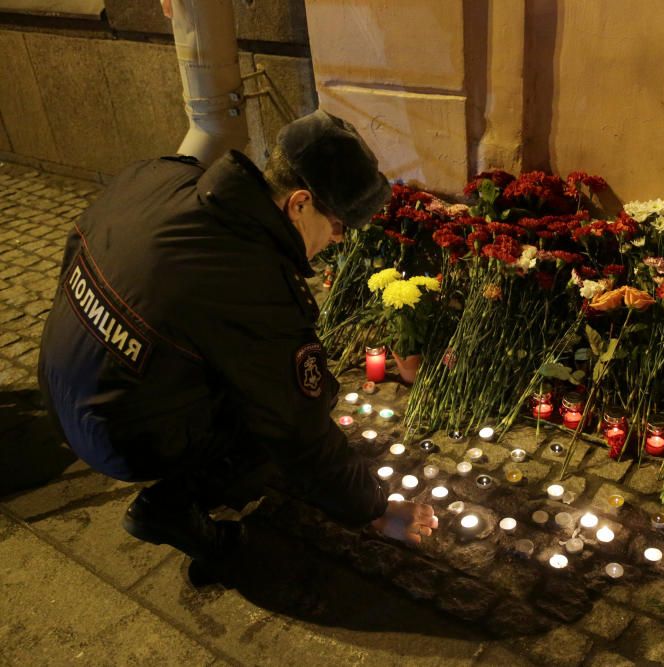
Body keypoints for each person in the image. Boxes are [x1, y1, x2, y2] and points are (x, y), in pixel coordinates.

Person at [37, 110, 437, 566]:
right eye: (339, 225)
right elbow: (296, 428)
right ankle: (176, 508)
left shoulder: (161, 177)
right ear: (299, 203)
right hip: (119, 437)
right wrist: (377, 509)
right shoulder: (251, 284)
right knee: (300, 400)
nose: (338, 240)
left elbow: (74, 251)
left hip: (57, 384)